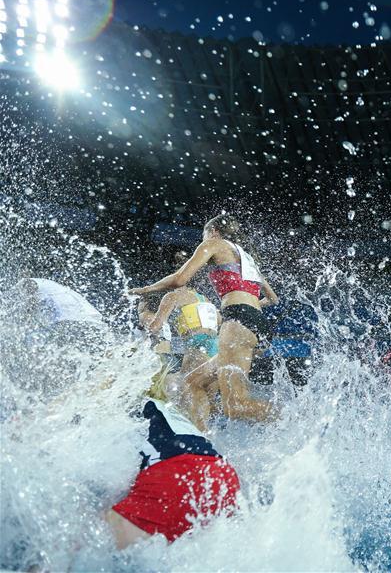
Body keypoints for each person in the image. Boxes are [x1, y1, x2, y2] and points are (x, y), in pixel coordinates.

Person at [130, 213, 278, 423]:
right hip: (256, 324)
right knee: (193, 382)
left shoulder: (214, 243)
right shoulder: (246, 258)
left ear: (214, 232)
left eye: (204, 235)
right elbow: (273, 299)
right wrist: (248, 308)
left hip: (238, 322)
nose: (203, 241)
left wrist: (145, 289)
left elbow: (180, 279)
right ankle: (200, 437)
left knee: (235, 405)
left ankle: (292, 418)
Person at [105, 394, 240, 548]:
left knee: (90, 532)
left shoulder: (112, 410)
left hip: (176, 478)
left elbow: (110, 483)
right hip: (222, 477)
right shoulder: (164, 408)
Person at [139, 287, 222, 430]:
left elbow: (155, 326)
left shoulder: (171, 296)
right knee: (209, 399)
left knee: (190, 390)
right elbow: (219, 321)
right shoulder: (204, 300)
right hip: (215, 345)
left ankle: (201, 436)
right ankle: (213, 435)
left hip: (197, 344)